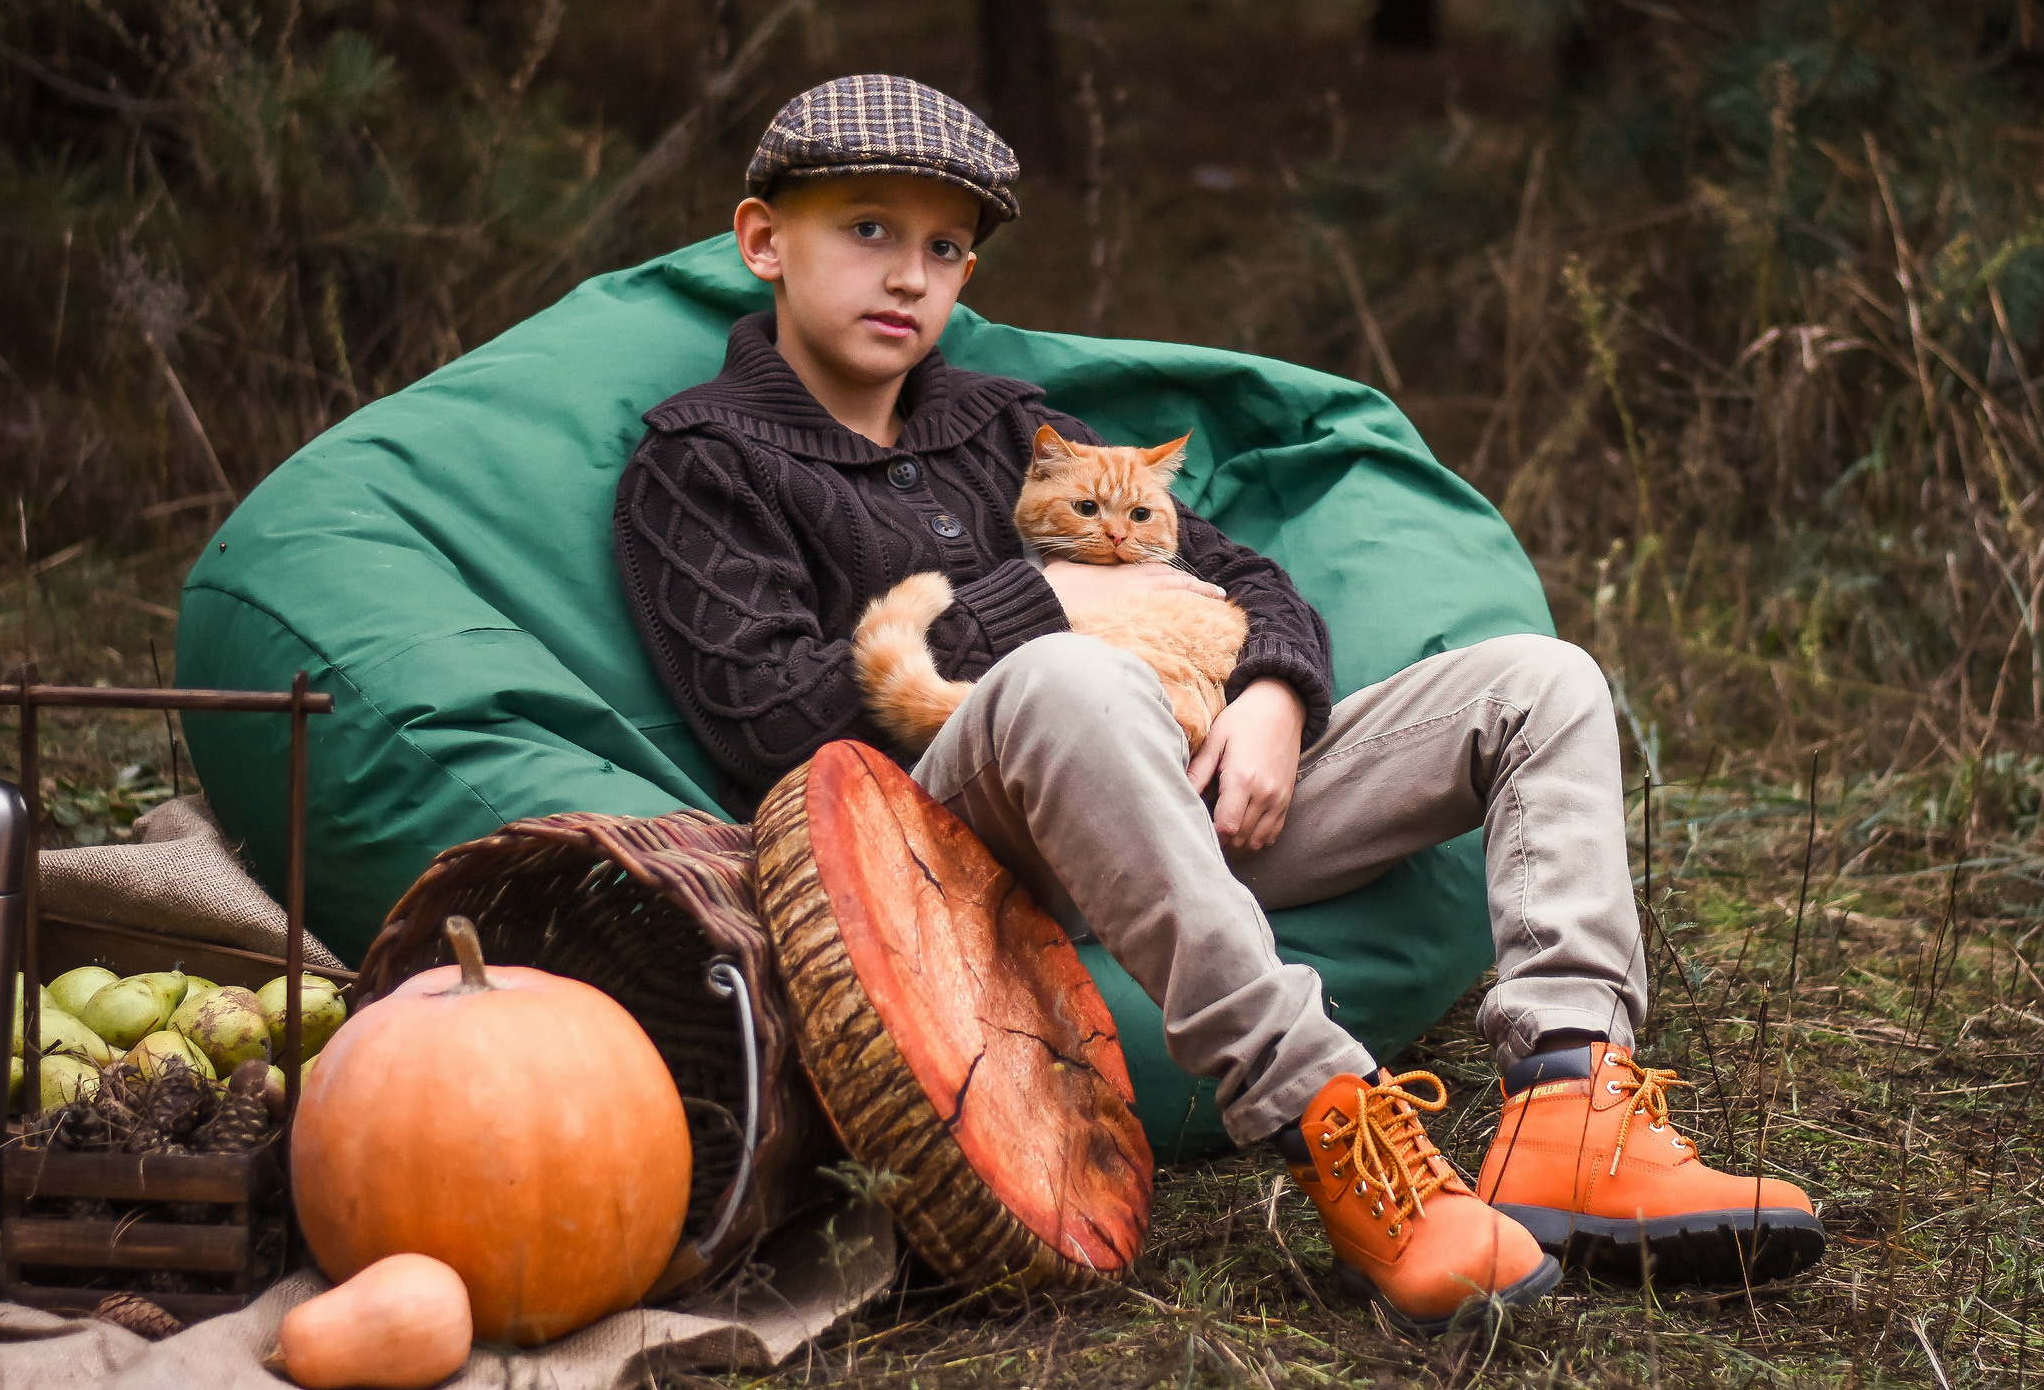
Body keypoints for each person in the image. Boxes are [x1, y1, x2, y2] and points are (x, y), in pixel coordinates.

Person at [615, 75, 1823, 1336]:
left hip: (1180, 808)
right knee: (1069, 676)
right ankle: (1330, 1123)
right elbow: (769, 724)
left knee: (1540, 678)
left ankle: (1571, 1100)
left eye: (943, 246)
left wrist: (1274, 696)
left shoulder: (1005, 423)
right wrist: (1042, 610)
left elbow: (1242, 572)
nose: (909, 275)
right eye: (866, 228)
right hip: (946, 852)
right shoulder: (701, 460)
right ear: (764, 240)